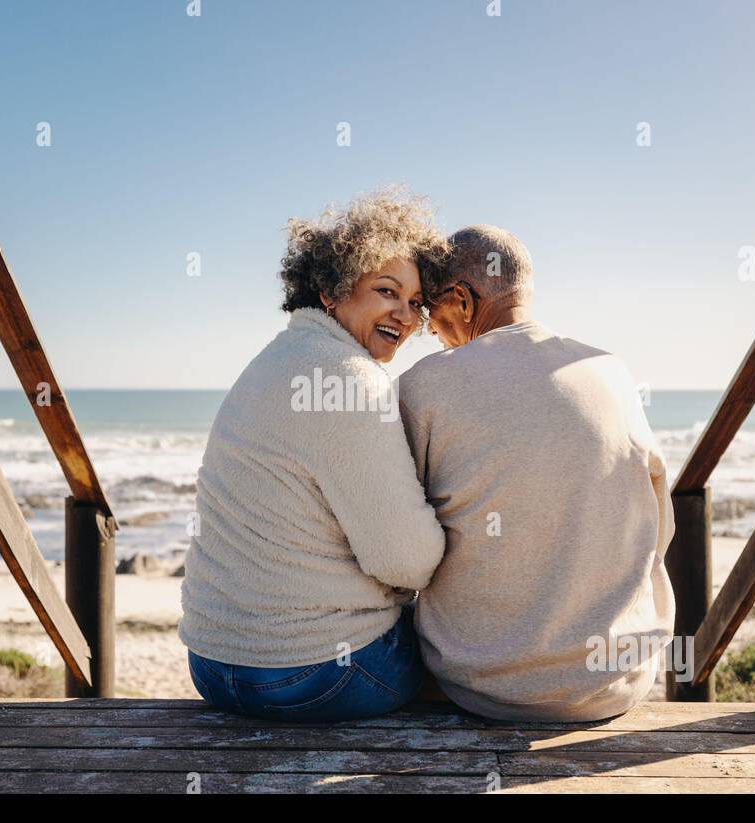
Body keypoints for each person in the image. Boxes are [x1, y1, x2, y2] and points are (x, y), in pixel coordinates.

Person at [179, 189, 448, 722]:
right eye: (386, 290)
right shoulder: (351, 379)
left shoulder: (270, 360)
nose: (405, 314)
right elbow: (408, 561)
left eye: (416, 303)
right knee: (468, 659)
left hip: (212, 666)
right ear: (330, 288)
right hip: (316, 675)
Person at [397, 224, 676, 722]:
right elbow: (661, 528)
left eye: (428, 313)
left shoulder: (426, 385)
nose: (431, 333)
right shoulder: (610, 369)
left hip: (480, 687)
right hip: (619, 685)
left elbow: (397, 542)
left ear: (461, 300)